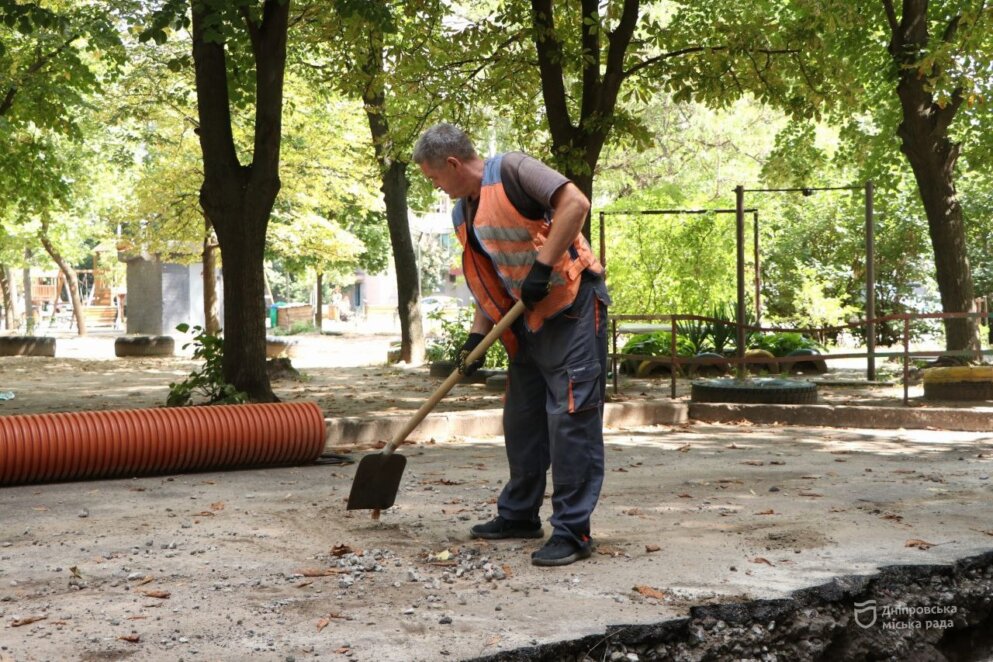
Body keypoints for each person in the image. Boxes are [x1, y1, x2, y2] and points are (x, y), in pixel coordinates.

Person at [412, 123, 610, 566]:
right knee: (521, 419)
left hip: (572, 305)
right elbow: (491, 280)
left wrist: (542, 267)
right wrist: (475, 336)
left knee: (570, 418)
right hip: (526, 320)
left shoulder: (514, 170)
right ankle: (520, 514)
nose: (437, 188)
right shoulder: (463, 213)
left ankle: (573, 531)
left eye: (434, 178)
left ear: (452, 163)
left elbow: (575, 203)